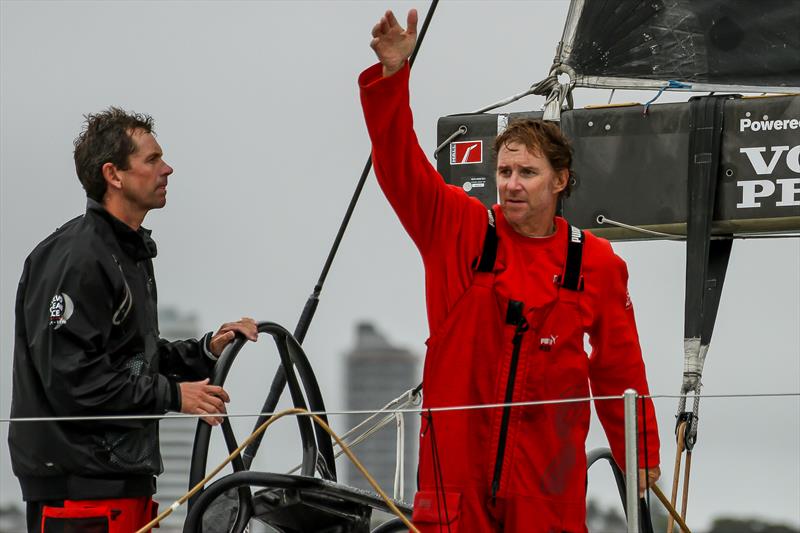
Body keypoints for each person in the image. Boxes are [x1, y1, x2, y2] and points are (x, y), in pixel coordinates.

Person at [361, 10, 661, 532]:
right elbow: (399, 165)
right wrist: (392, 78)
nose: (512, 184)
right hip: (457, 474)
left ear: (561, 181)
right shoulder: (459, 230)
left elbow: (618, 368)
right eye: (504, 172)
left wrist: (638, 450)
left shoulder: (597, 262)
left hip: (547, 482)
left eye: (527, 172)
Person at [9, 107, 259, 533]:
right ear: (114, 175)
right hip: (82, 495)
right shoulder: (76, 259)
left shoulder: (126, 252)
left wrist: (205, 350)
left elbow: (131, 358)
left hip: (120, 487)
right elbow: (74, 380)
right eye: (152, 159)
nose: (168, 169)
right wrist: (175, 396)